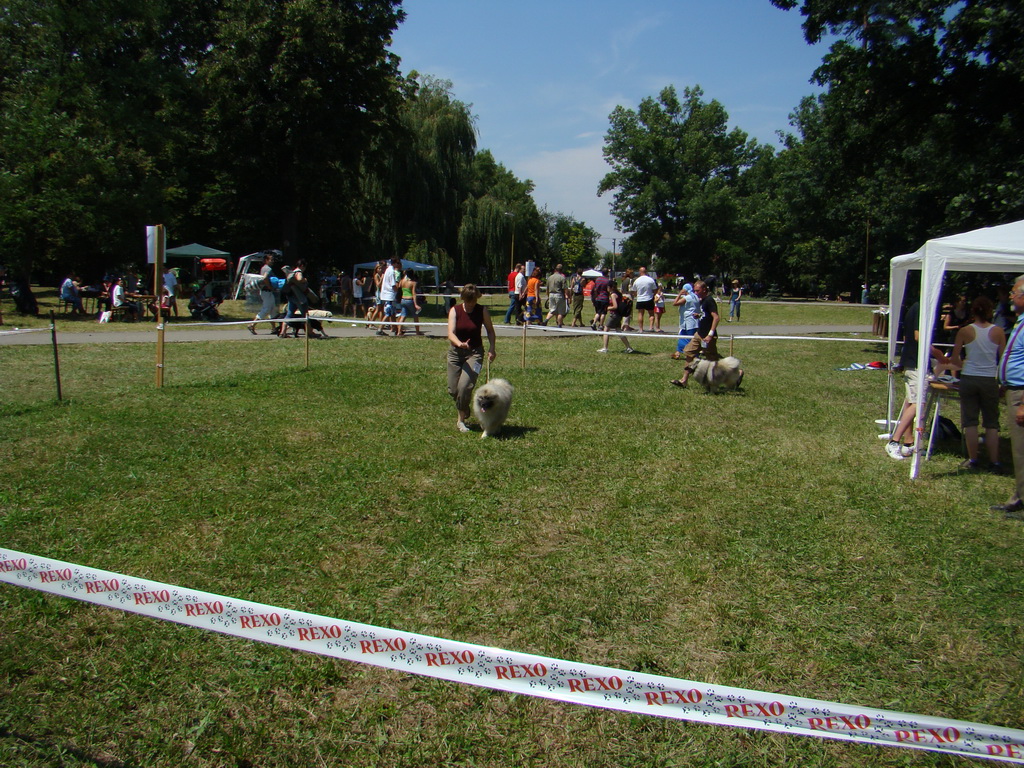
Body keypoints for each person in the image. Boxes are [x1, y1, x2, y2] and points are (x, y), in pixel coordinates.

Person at [945, 296, 1006, 471]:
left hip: (969, 377)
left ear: (973, 311)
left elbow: (955, 359)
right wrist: (1003, 382)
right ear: (990, 311)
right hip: (989, 378)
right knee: (992, 423)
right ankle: (995, 461)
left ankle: (973, 459)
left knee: (970, 421)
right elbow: (1003, 359)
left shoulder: (964, 331)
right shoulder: (998, 331)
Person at [884, 299, 946, 460]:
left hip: (913, 362)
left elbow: (907, 336)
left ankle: (908, 443)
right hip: (916, 363)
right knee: (918, 403)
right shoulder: (921, 308)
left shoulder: (914, 307)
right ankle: (894, 442)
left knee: (910, 402)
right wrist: (937, 353)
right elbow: (918, 337)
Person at [447, 284, 496, 433]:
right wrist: (459, 343)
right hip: (455, 353)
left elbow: (490, 331)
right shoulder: (455, 310)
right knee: (453, 390)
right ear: (463, 299)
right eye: (469, 302)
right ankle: (464, 408)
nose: (471, 304)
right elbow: (450, 333)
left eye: (474, 301)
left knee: (464, 387)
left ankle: (460, 420)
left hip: (474, 353)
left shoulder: (482, 311)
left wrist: (492, 348)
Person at [994, 275, 1024, 519]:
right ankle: (1018, 497)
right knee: (1018, 450)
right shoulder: (1020, 322)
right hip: (1013, 390)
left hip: (1022, 395)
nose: (1011, 297)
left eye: (1014, 293)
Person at [670, 281, 719, 388]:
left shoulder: (709, 300)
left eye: (698, 290)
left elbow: (716, 317)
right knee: (688, 352)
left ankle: (736, 373)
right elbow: (706, 314)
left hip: (708, 336)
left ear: (704, 290)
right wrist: (699, 315)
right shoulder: (701, 300)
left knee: (713, 360)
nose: (695, 293)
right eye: (695, 290)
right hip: (699, 334)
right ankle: (684, 380)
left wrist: (710, 335)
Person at [597, 281, 636, 353]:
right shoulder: (619, 293)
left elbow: (615, 306)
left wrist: (608, 308)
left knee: (606, 330)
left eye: (608, 287)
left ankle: (605, 348)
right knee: (618, 331)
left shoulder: (613, 295)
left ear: (610, 287)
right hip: (619, 315)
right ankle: (629, 347)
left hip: (614, 315)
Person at [248, 252, 276, 334]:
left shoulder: (263, 268)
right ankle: (252, 324)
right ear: (266, 260)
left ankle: (274, 328)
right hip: (267, 291)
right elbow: (265, 278)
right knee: (266, 309)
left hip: (266, 292)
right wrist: (270, 287)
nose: (272, 261)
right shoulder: (268, 269)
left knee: (272, 310)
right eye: (271, 260)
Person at [672, 282, 700, 359]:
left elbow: (675, 303)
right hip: (686, 322)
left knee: (690, 339)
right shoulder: (695, 296)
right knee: (681, 336)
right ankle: (677, 353)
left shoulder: (688, 297)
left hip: (689, 321)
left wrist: (679, 294)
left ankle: (694, 355)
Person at [396, 268, 422, 336]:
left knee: (403, 316)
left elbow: (399, 289)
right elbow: (414, 294)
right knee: (415, 316)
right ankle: (417, 332)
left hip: (403, 299)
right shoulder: (413, 283)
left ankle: (399, 331)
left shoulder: (401, 281)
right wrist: (416, 304)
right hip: (410, 300)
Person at [631, 266, 657, 331]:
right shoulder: (651, 280)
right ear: (646, 272)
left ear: (640, 272)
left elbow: (634, 291)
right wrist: (653, 294)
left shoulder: (637, 280)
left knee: (640, 314)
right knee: (651, 314)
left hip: (640, 299)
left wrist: (636, 295)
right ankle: (651, 327)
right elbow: (655, 290)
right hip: (649, 298)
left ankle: (641, 329)